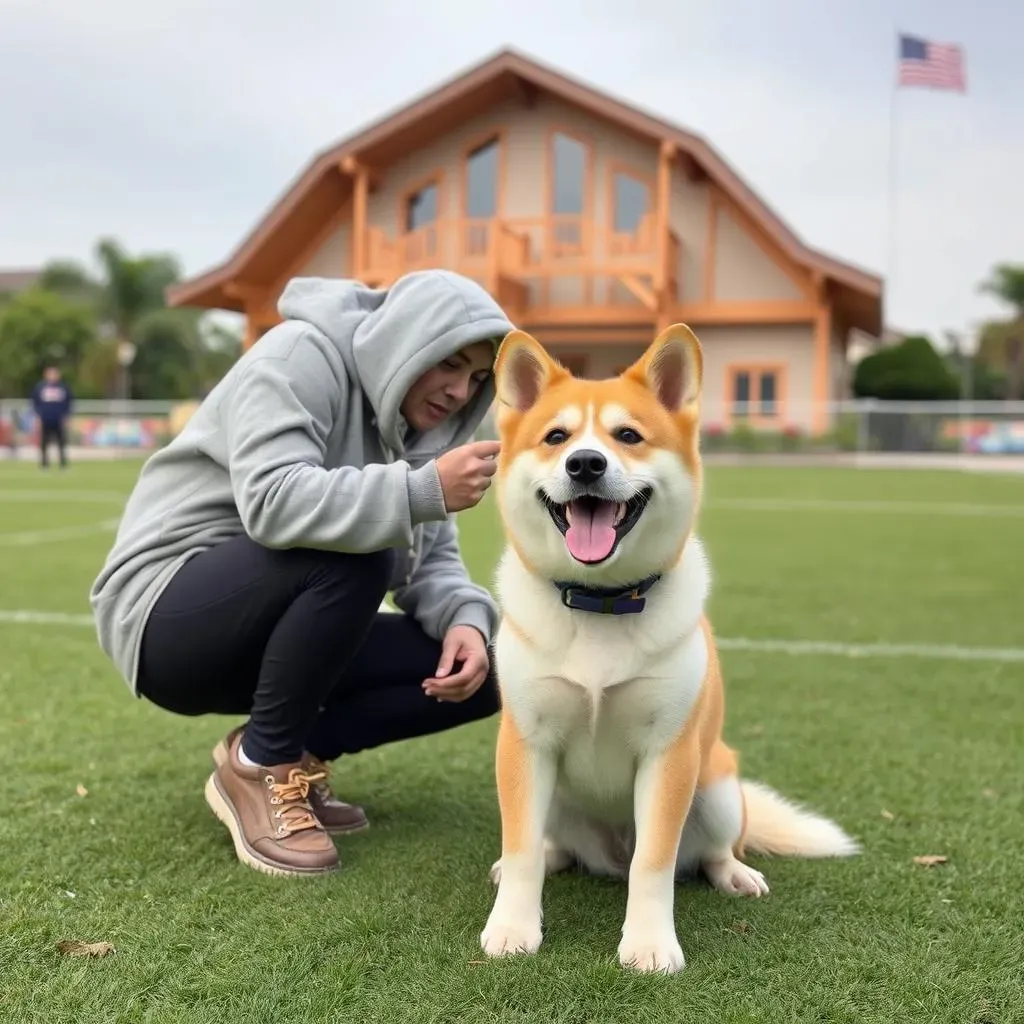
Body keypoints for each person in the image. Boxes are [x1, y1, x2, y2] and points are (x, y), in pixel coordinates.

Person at [90, 269, 514, 877]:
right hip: (167, 617)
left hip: (272, 628)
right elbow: (272, 500)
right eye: (449, 363)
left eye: (475, 378)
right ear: (410, 337)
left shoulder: (419, 435)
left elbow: (429, 563)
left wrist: (467, 622)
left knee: (498, 670)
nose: (457, 390)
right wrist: (421, 489)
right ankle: (263, 762)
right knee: (357, 550)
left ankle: (295, 758)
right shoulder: (300, 354)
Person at [31, 364, 73, 468]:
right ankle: (44, 464)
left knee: (61, 442)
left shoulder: (63, 388)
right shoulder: (40, 387)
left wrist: (67, 416)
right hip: (45, 419)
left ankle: (63, 464)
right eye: (50, 373)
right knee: (44, 442)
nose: (53, 376)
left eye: (55, 373)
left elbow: (69, 402)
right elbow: (35, 403)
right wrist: (37, 417)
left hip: (59, 419)